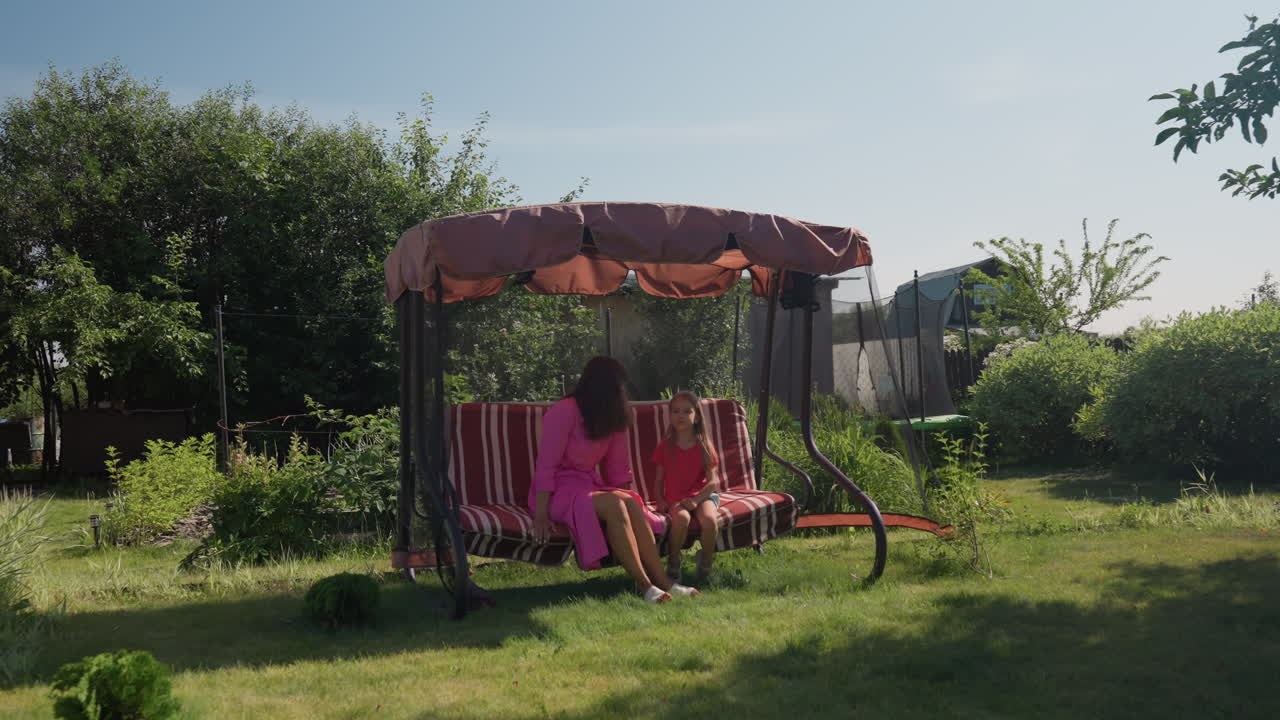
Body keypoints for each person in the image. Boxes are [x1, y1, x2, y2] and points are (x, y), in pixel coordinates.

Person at [530, 356, 698, 604]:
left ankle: (662, 582)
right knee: (616, 503)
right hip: (557, 493)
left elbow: (618, 469)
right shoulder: (564, 411)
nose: (622, 391)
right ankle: (645, 586)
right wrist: (541, 515)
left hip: (588, 488)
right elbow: (546, 466)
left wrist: (630, 506)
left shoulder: (614, 415)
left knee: (627, 501)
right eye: (617, 385)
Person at [650, 391, 721, 582]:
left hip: (703, 496)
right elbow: (658, 481)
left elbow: (713, 482)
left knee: (709, 521)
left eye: (686, 411)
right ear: (670, 415)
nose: (680, 415)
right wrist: (660, 500)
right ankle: (674, 562)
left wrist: (696, 500)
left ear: (696, 417)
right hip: (677, 498)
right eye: (675, 411)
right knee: (681, 519)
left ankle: (705, 562)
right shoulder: (665, 446)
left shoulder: (704, 445)